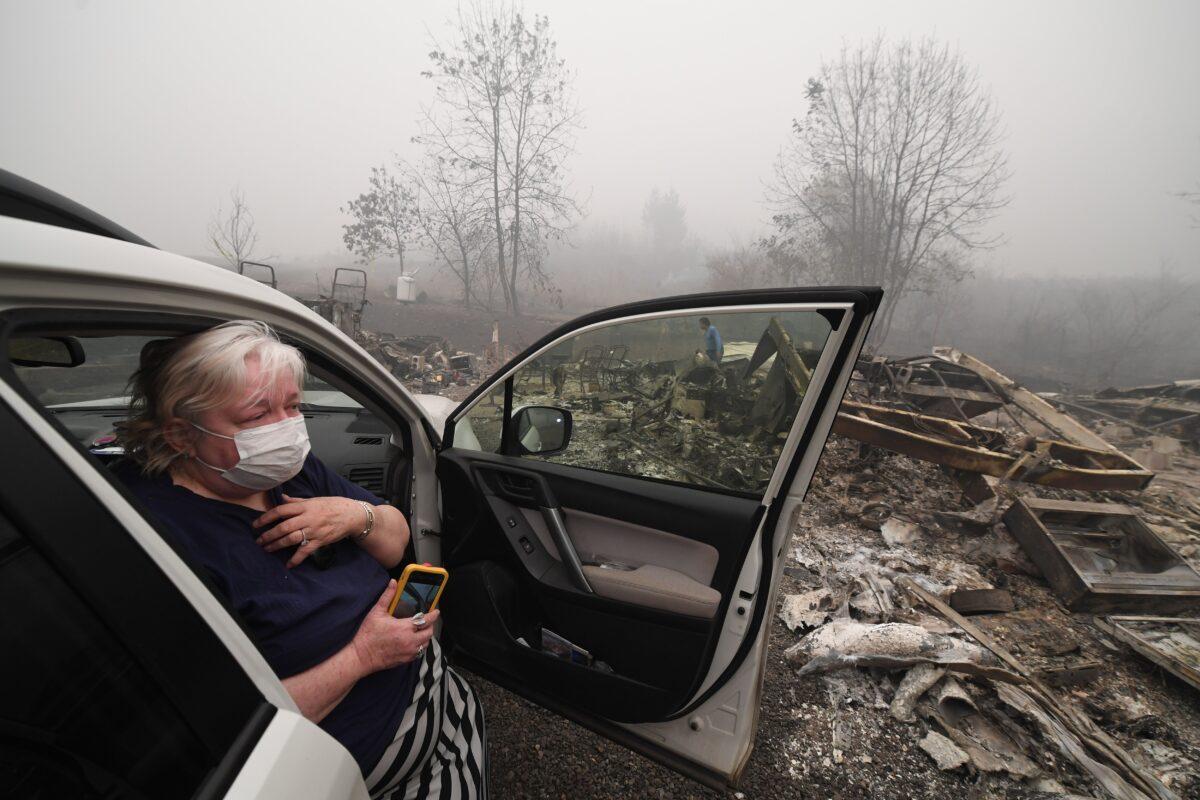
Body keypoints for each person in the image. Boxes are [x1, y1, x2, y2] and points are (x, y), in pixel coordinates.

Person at [115, 320, 486, 800]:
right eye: (257, 415)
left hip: (433, 693)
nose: (287, 429)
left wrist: (356, 514)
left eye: (292, 406)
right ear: (182, 435)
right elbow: (224, 731)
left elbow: (395, 544)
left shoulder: (287, 471)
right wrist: (363, 656)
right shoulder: (161, 538)